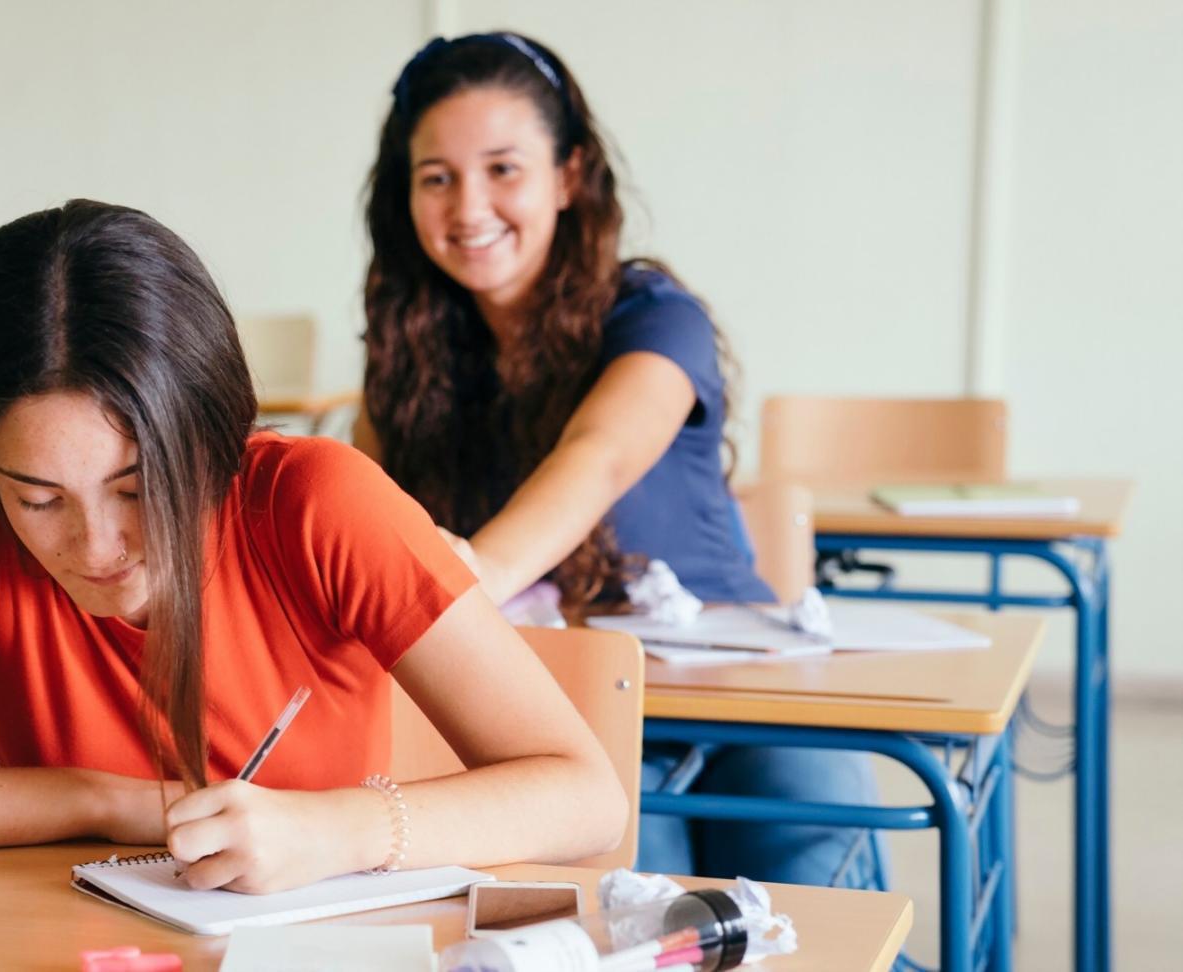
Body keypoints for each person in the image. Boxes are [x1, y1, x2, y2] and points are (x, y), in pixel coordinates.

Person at [0, 200, 625, 893]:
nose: (97, 546)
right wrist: (105, 800)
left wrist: (334, 831)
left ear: (218, 435)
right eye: (39, 500)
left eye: (139, 487)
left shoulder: (318, 505)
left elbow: (585, 796)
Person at [357, 33, 879, 885]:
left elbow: (598, 458)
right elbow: (365, 526)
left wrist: (467, 576)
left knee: (810, 869)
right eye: (436, 178)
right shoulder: (402, 366)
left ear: (568, 175)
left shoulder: (657, 318)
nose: (468, 206)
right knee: (632, 910)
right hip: (560, 720)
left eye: (502, 168)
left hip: (737, 695)